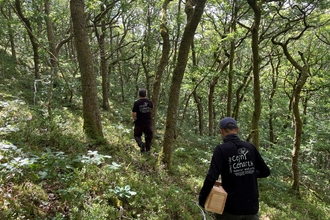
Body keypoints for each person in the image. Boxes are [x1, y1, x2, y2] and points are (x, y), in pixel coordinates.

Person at [199, 117, 270, 220]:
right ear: (237, 129)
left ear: (221, 131)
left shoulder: (221, 150)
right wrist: (250, 172)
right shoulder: (250, 147)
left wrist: (202, 199)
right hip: (252, 209)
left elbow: (212, 177)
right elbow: (265, 172)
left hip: (230, 209)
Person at [132, 88, 153, 154]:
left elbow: (134, 113)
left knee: (137, 135)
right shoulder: (149, 102)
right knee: (148, 137)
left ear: (139, 95)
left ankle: (141, 144)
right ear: (145, 94)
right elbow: (152, 108)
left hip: (139, 122)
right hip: (148, 123)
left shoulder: (136, 103)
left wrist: (135, 119)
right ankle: (148, 151)